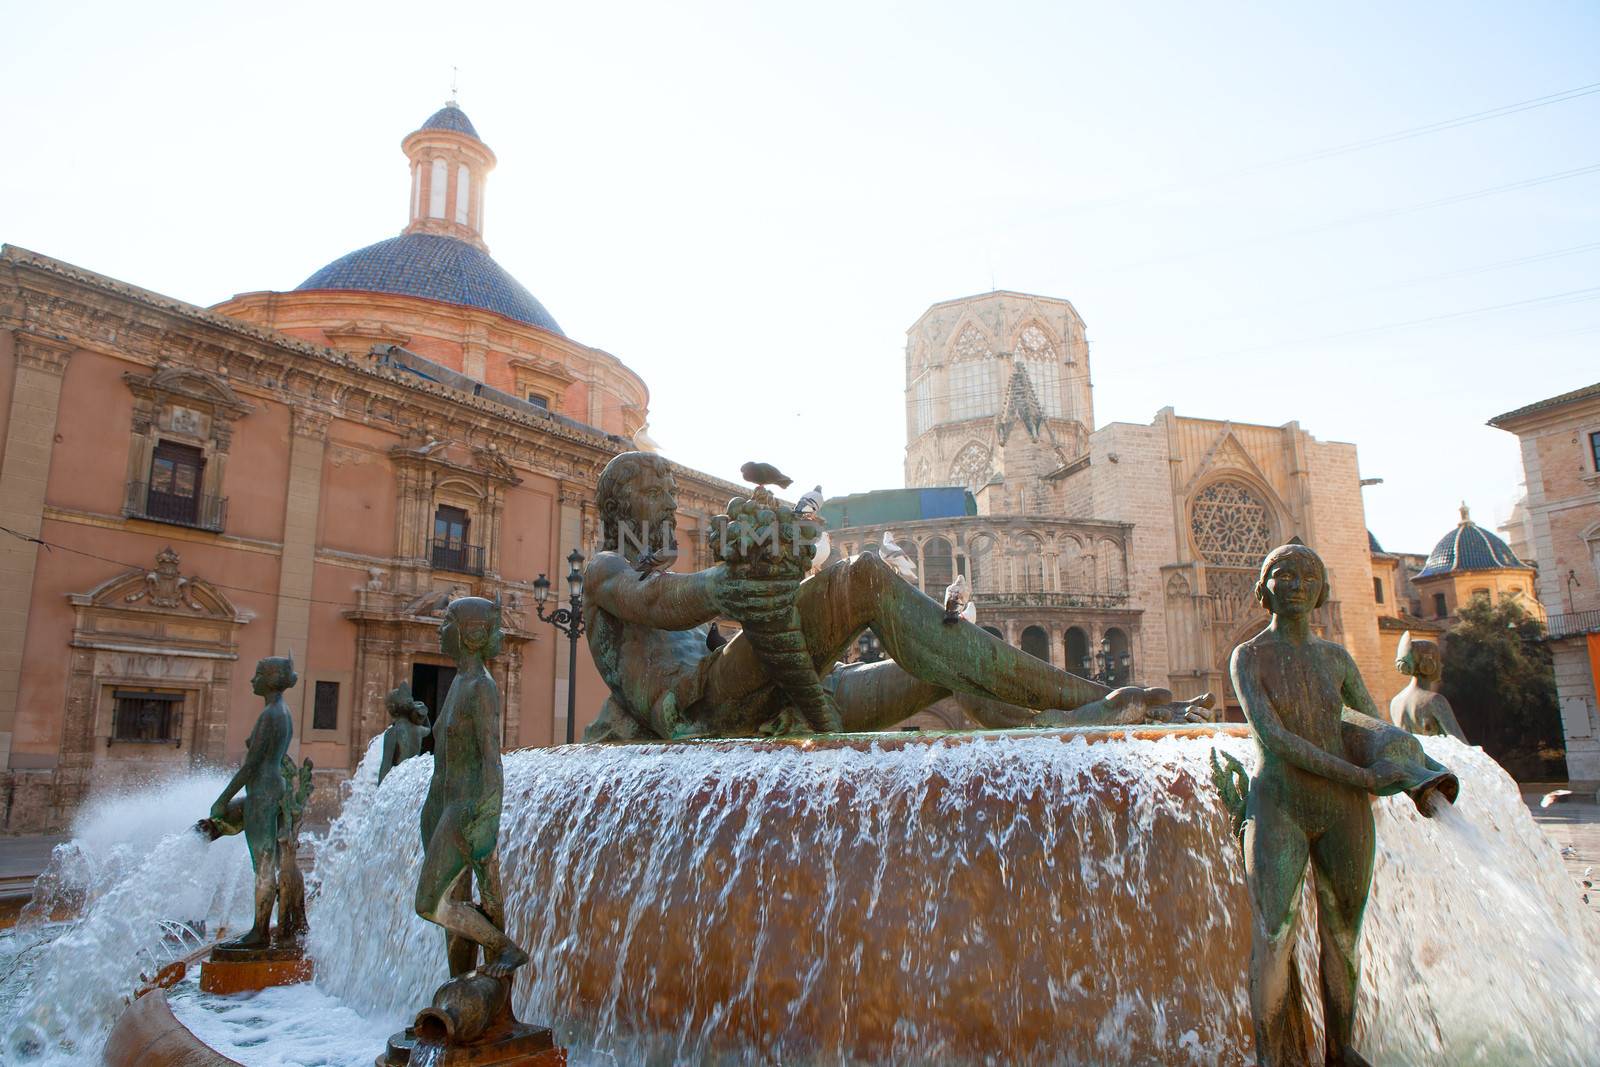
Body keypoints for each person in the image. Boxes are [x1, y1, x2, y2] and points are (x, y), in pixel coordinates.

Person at [581, 451, 1210, 741]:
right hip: (709, 708)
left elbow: (704, 613)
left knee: (944, 658)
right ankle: (1097, 700)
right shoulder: (606, 569)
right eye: (651, 487)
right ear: (618, 504)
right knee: (864, 577)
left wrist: (762, 589)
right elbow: (658, 605)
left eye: (666, 483)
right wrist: (733, 583)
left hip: (782, 701)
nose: (666, 497)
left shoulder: (658, 563)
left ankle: (1080, 718)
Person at [1229, 544, 1400, 1067]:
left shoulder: (1337, 659)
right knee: (1275, 932)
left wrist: (1403, 756)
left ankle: (1341, 1050)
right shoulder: (1250, 655)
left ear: (1322, 590)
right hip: (1281, 803)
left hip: (1345, 811)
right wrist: (1361, 775)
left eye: (1308, 575)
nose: (1296, 583)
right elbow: (1273, 738)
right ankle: (1270, 1057)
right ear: (1264, 588)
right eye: (1282, 574)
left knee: (1345, 937)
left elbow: (1368, 723)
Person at [415, 596, 528, 980]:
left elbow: (492, 759)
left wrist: (487, 817)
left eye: (446, 622)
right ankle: (459, 987)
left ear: (470, 634)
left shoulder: (481, 686)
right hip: (444, 806)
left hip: (465, 811)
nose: (439, 630)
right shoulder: (459, 682)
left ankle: (503, 948)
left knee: (430, 903)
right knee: (455, 905)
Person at [207, 654, 297, 949]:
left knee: (263, 863)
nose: (252, 679)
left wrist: (222, 799)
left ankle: (259, 933)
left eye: (258, 674)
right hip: (275, 788)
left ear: (270, 680)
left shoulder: (271, 714)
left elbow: (251, 765)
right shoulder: (282, 713)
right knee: (270, 859)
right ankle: (273, 926)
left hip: (262, 792)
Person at [1390, 630, 1466, 740]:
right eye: (1438, 660)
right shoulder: (1434, 701)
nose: (1442, 665)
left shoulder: (1395, 702)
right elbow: (1461, 744)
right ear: (1428, 664)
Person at [379, 682, 431, 783]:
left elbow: (385, 765)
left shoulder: (392, 732)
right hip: (411, 780)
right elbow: (428, 729)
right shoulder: (419, 730)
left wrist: (378, 792)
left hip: (396, 782)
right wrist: (423, 712)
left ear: (392, 709)